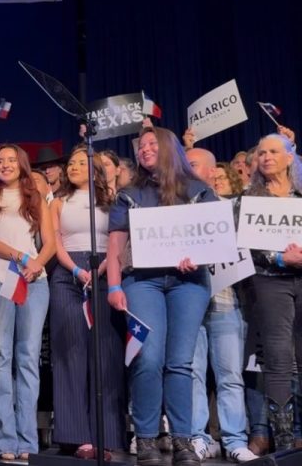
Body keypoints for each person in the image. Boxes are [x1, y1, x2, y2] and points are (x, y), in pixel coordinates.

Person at [106, 126, 217, 466]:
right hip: (143, 282)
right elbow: (114, 248)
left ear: (170, 148)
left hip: (189, 282)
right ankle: (147, 439)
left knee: (180, 362)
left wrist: (199, 255)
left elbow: (213, 242)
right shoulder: (130, 194)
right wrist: (113, 286)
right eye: (141, 146)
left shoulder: (199, 190)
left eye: (153, 143)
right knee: (148, 358)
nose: (145, 149)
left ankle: (184, 440)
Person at [0, 144, 55, 461]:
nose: (6, 165)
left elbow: (49, 243)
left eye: (11, 160)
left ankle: (27, 442)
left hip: (35, 282)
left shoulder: (35, 198)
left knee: (28, 358)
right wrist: (22, 257)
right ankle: (5, 440)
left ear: (22, 165)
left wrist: (36, 263)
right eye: (1, 161)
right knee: (0, 356)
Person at [49, 146, 126, 461]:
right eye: (71, 163)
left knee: (106, 353)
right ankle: (75, 435)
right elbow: (56, 241)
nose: (74, 167)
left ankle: (106, 435)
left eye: (82, 162)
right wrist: (78, 270)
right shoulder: (58, 202)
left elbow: (116, 240)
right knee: (70, 352)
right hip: (69, 276)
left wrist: (102, 269)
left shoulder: (112, 200)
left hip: (107, 271)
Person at [185, 148, 257, 462]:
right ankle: (197, 437)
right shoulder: (176, 205)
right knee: (193, 374)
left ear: (213, 171)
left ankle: (234, 441)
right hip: (189, 302)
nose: (186, 167)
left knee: (230, 375)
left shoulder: (236, 208)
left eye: (193, 164)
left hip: (227, 301)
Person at [241, 133, 302, 451]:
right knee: (279, 358)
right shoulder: (248, 199)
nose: (266, 157)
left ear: (290, 158)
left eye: (274, 151)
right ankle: (285, 440)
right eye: (261, 152)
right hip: (270, 282)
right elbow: (245, 246)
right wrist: (280, 257)